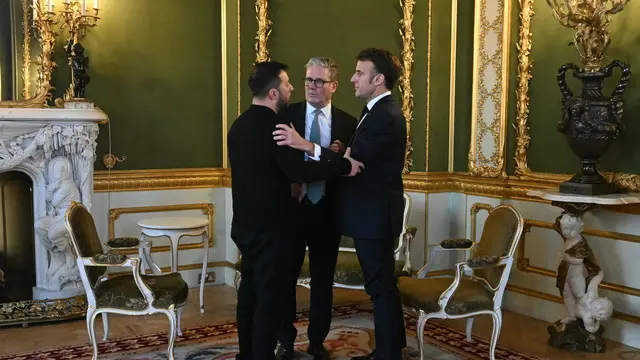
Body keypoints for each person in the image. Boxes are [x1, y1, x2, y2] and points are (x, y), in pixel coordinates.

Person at [273, 48, 407, 360]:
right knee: (381, 286)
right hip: (301, 213)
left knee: (378, 286)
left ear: (378, 79)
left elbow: (354, 163)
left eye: (359, 73)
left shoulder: (380, 115)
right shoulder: (373, 112)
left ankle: (386, 354)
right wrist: (341, 155)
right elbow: (350, 158)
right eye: (307, 80)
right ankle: (390, 350)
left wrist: (311, 147)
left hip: (357, 214)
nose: (353, 78)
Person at [227, 60, 364, 360]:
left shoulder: (238, 125)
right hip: (276, 228)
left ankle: (248, 354)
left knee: (249, 294)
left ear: (332, 86)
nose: (297, 87)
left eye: (318, 81)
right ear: (274, 93)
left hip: (249, 225)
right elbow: (297, 172)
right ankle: (266, 352)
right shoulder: (278, 125)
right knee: (268, 299)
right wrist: (342, 164)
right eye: (292, 82)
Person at [277, 57, 358, 360]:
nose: (311, 86)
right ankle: (286, 340)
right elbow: (277, 161)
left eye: (319, 81)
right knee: (287, 276)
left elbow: (348, 168)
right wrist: (291, 182)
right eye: (308, 80)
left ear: (333, 86)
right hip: (293, 211)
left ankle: (316, 341)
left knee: (323, 280)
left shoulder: (348, 124)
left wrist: (335, 156)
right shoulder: (288, 116)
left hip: (328, 211)